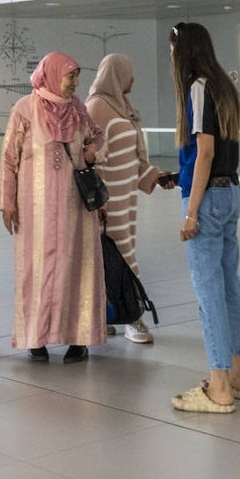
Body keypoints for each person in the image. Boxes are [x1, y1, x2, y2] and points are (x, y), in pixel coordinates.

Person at [0, 51, 106, 363]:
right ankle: (37, 337)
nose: (75, 82)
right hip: (35, 210)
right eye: (70, 75)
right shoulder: (25, 109)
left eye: (76, 76)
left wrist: (90, 152)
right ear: (52, 74)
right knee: (37, 271)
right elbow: (8, 160)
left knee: (76, 269)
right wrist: (7, 203)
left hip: (76, 209)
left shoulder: (78, 109)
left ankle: (78, 338)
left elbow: (97, 138)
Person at [168, 21, 240, 413]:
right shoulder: (224, 85)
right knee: (229, 287)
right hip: (231, 191)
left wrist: (190, 211)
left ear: (183, 51)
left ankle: (218, 387)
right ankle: (239, 375)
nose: (170, 56)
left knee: (209, 294)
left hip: (210, 199)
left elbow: (204, 150)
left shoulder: (198, 87)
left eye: (172, 49)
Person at [85, 53, 165, 344]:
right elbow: (88, 157)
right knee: (117, 257)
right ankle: (131, 316)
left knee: (116, 256)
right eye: (128, 74)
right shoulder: (97, 107)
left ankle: (110, 315)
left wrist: (154, 177)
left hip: (126, 198)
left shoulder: (121, 107)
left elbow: (130, 153)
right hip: (107, 200)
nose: (132, 79)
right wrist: (98, 202)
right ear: (116, 75)